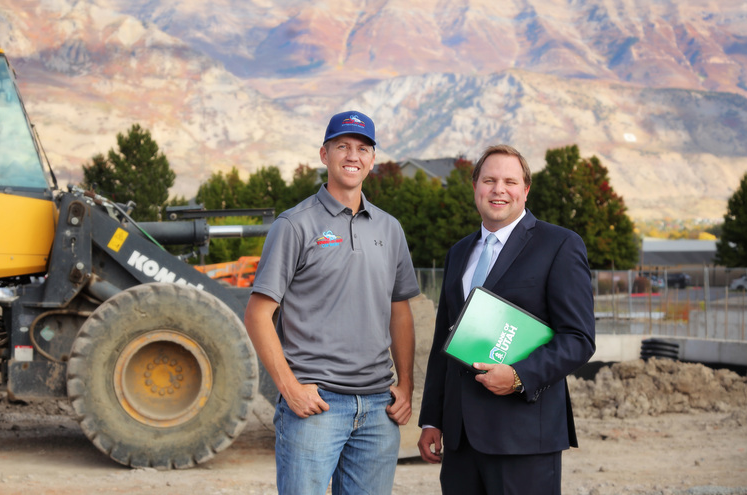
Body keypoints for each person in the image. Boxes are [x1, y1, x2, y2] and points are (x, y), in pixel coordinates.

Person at [244, 110, 421, 494]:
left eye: (362, 148)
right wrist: (289, 388)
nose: (352, 155)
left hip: (378, 409)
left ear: (373, 159)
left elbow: (400, 310)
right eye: (342, 146)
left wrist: (406, 384)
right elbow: (258, 314)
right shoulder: (294, 225)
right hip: (316, 406)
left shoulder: (389, 228)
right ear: (324, 155)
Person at [417, 144, 596, 495]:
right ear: (475, 188)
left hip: (523, 436)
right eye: (489, 180)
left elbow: (578, 338)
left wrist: (518, 376)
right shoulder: (458, 252)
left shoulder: (559, 245)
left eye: (510, 181)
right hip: (460, 439)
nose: (499, 189)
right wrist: (432, 419)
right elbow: (445, 340)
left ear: (525, 190)